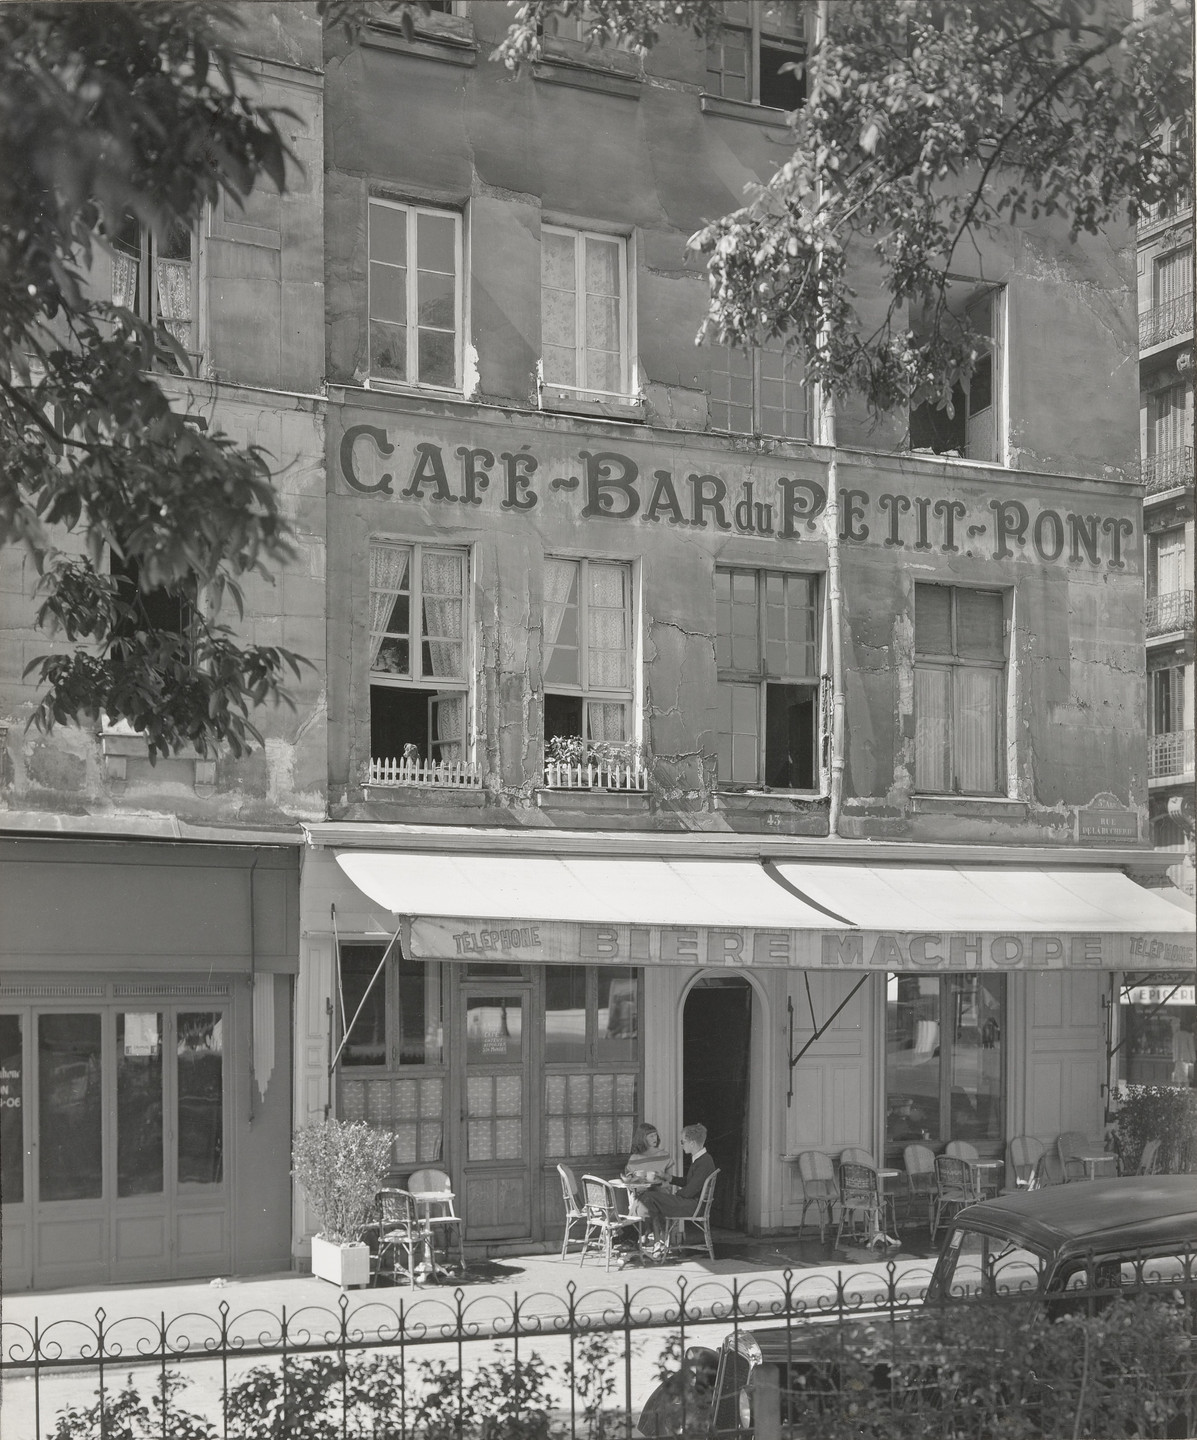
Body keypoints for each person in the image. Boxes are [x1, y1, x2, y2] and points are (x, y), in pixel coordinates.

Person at [636, 1123, 716, 1258]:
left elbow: (690, 1190)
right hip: (692, 1203)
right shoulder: (701, 1159)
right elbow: (689, 1182)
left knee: (648, 1198)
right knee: (651, 1199)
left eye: (682, 1142)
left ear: (692, 1143)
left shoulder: (703, 1162)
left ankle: (652, 1238)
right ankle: (655, 1239)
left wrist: (674, 1196)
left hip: (694, 1206)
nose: (682, 1145)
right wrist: (669, 1178)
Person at [623, 1122, 673, 1189]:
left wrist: (657, 1185)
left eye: (655, 1135)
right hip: (641, 1194)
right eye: (651, 1136)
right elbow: (629, 1183)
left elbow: (670, 1182)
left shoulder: (664, 1156)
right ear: (642, 1138)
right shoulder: (634, 1159)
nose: (654, 1138)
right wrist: (635, 1180)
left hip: (661, 1193)